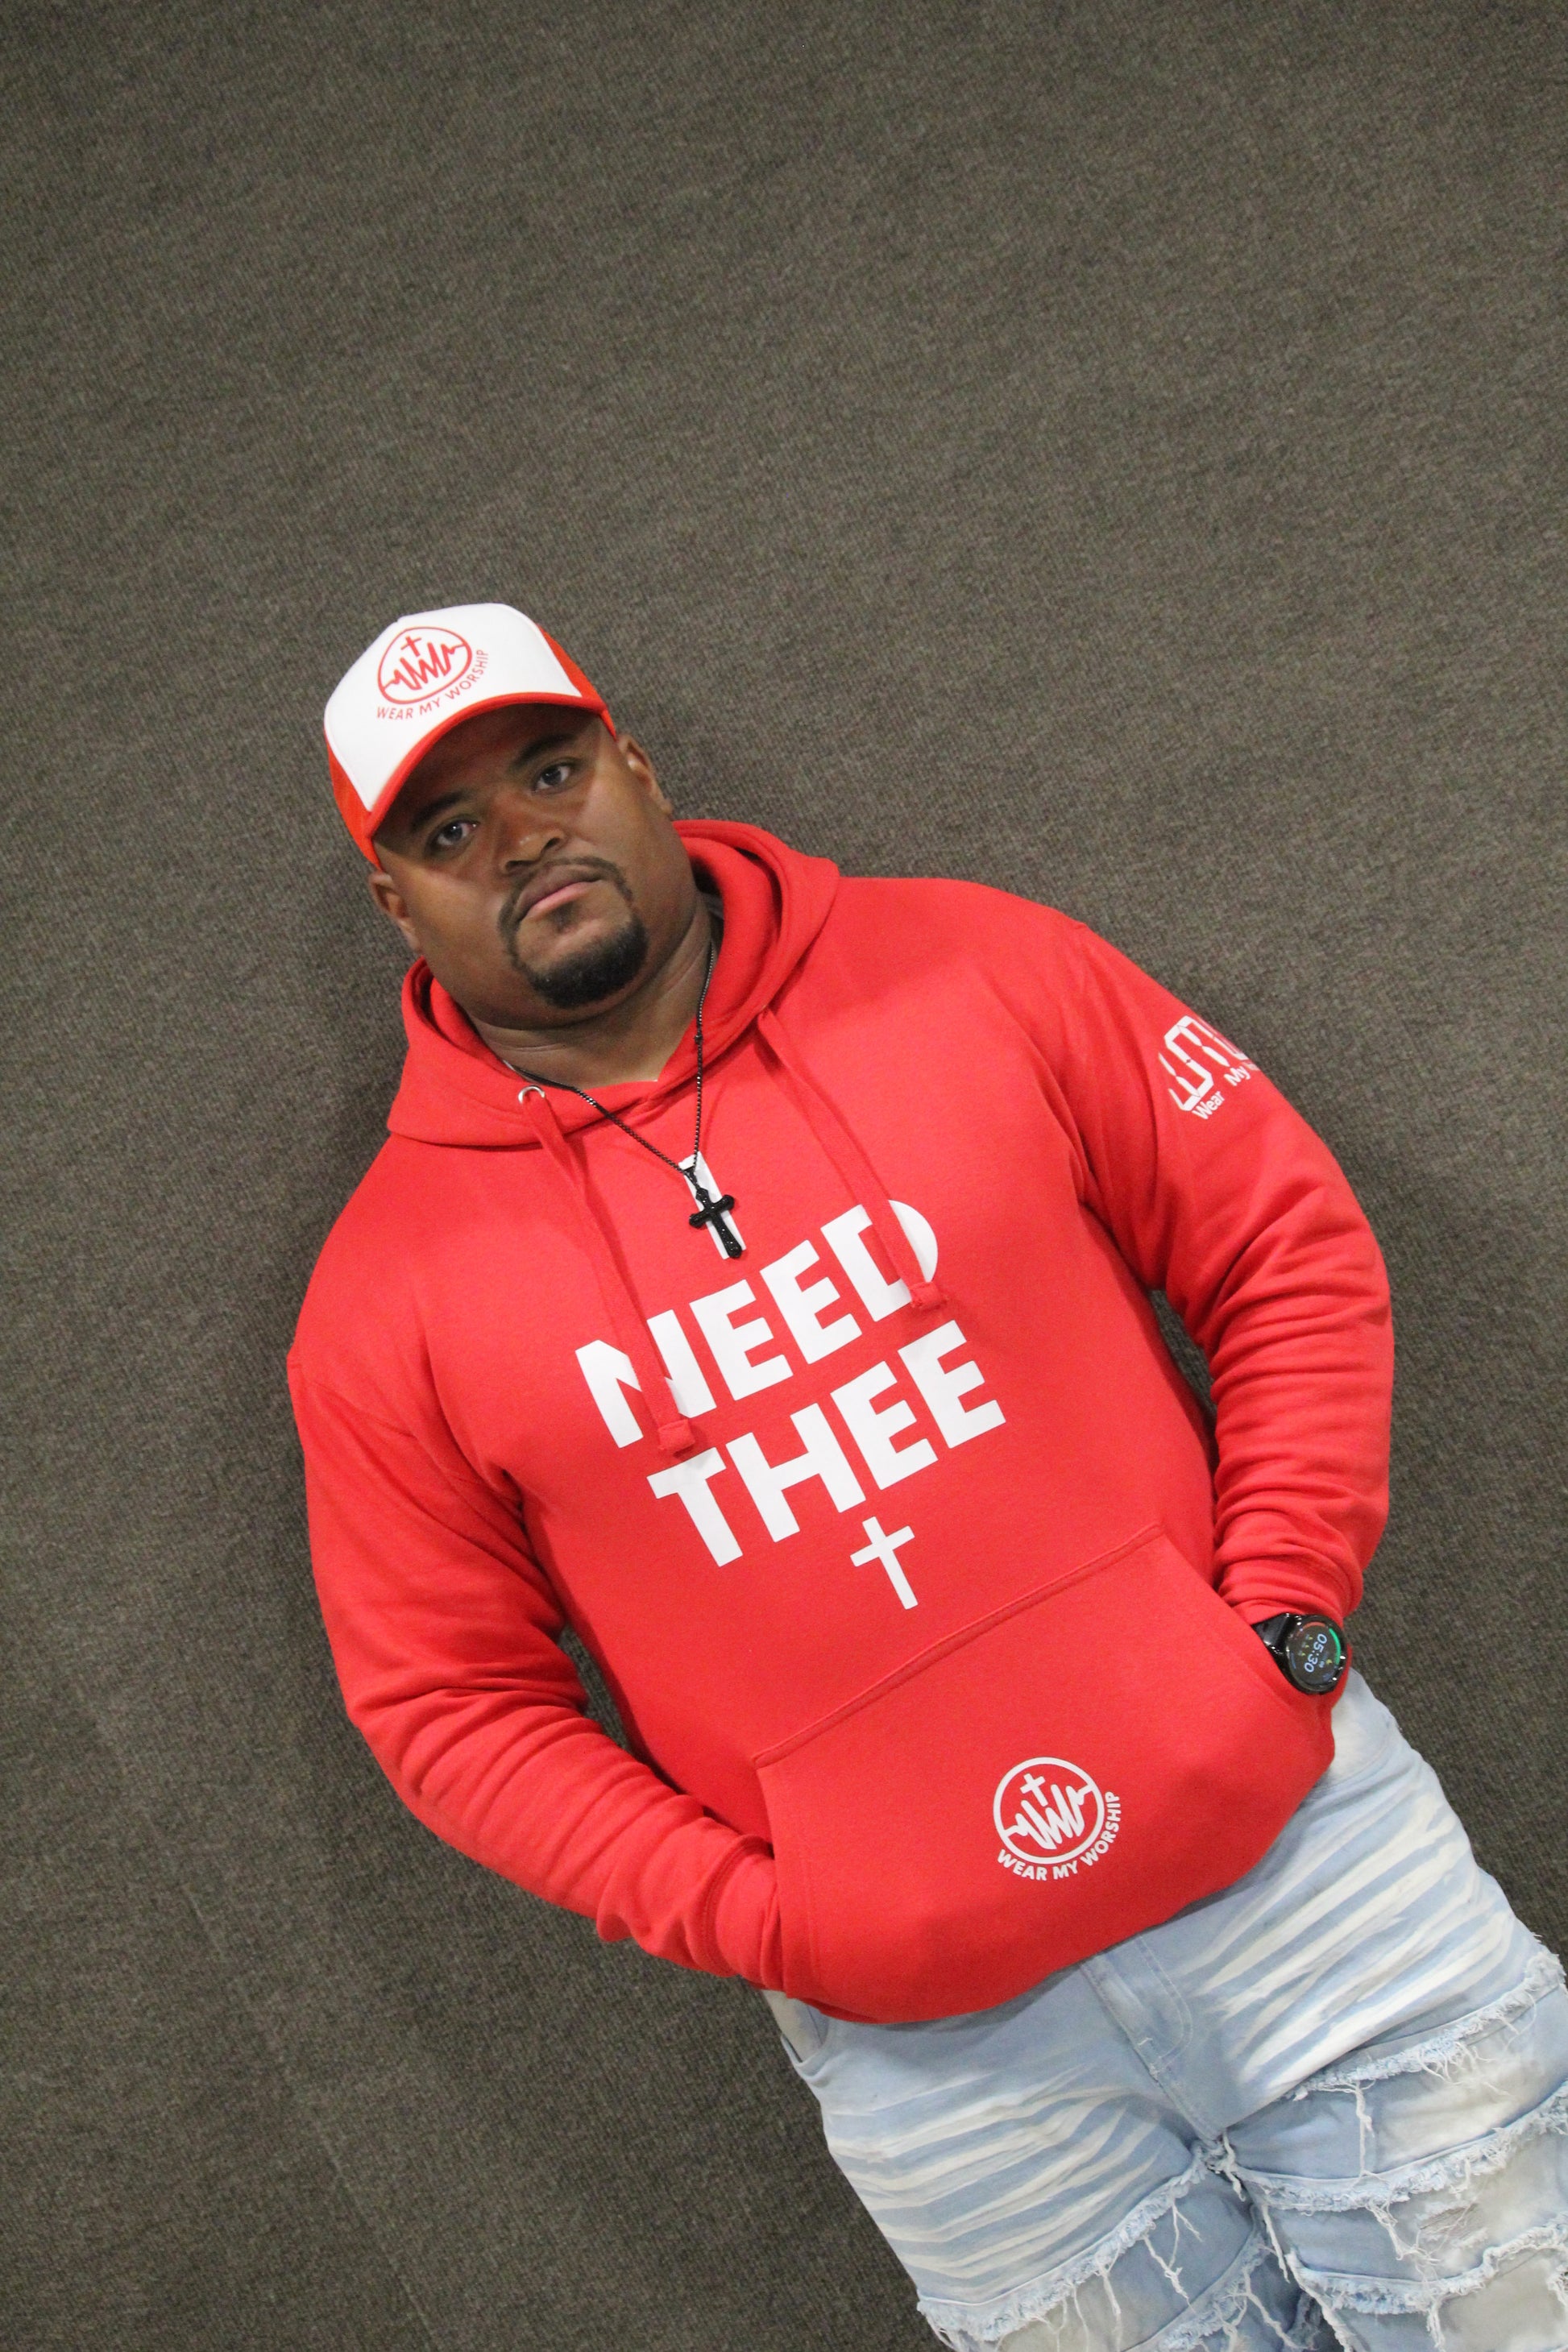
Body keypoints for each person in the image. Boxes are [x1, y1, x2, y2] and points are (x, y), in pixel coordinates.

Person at [292, 602, 1568, 2352]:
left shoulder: (972, 961)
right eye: (450, 830)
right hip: (952, 2078)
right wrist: (768, 1914)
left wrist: (1282, 1609)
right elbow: (446, 1705)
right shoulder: (384, 1296)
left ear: (635, 766)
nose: (523, 837)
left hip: (1310, 1883)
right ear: (397, 904)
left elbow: (1279, 1244)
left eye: (551, 770)